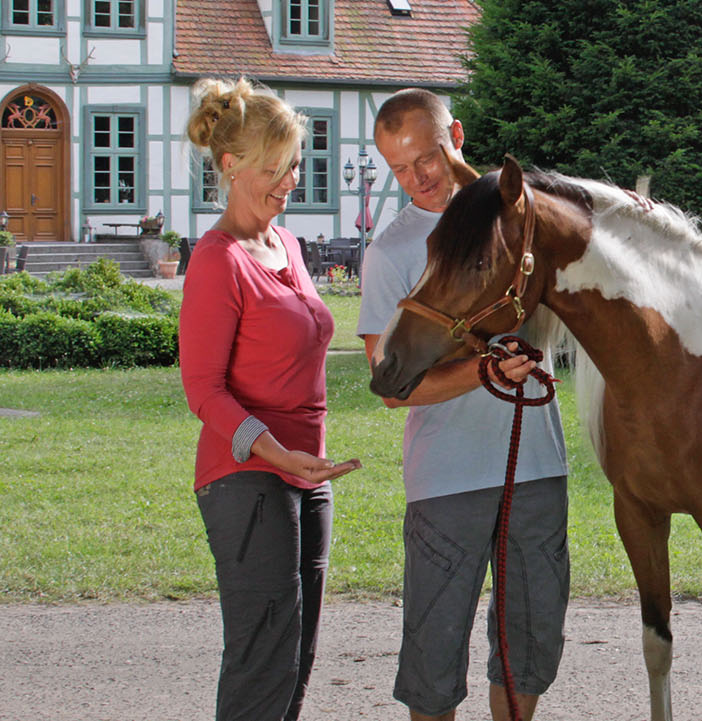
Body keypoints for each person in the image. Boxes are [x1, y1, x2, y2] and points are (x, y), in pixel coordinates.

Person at [358, 88, 570, 721]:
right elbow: (390, 386)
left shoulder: (525, 217)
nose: (416, 178)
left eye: (425, 156)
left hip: (537, 468)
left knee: (528, 645)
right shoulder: (392, 250)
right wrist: (482, 372)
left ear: (456, 135)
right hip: (445, 481)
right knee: (434, 654)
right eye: (398, 168)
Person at [180, 76, 361, 721]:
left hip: (305, 473)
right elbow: (202, 388)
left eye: (293, 167)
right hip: (246, 475)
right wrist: (273, 449)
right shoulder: (217, 259)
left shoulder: (285, 244)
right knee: (264, 657)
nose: (289, 183)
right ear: (230, 166)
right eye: (274, 169)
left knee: (298, 655)